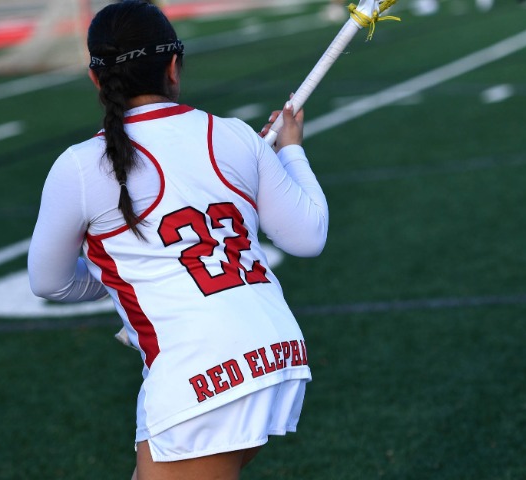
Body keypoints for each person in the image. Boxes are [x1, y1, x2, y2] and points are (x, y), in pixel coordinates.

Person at [28, 1, 328, 479]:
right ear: (173, 66)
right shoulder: (236, 136)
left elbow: (48, 282)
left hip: (203, 371)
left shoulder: (80, 165)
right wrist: (291, 151)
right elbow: (309, 235)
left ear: (96, 79)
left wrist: (127, 271)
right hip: (273, 349)